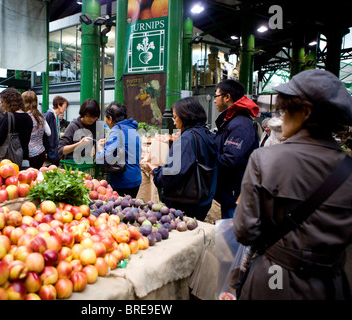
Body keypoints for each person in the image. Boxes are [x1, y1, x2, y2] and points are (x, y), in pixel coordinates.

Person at [233, 69, 352, 300]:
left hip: (275, 280)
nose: (280, 117)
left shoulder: (264, 159)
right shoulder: (348, 168)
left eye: (285, 110)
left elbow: (244, 232)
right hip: (331, 284)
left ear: (306, 112)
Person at [146, 97, 218, 221]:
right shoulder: (206, 133)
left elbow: (174, 172)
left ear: (186, 116)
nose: (174, 122)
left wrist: (156, 172)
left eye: (175, 117)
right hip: (203, 198)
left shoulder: (187, 138)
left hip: (185, 202)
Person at [213, 79, 259, 219]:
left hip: (235, 192)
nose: (214, 101)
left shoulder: (240, 124)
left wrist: (207, 155)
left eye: (216, 96)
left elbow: (231, 159)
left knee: (233, 235)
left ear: (227, 97)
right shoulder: (233, 121)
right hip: (230, 191)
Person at [95, 101, 142, 198]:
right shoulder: (132, 128)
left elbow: (102, 158)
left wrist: (99, 148)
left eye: (106, 119)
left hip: (123, 182)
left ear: (110, 118)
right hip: (135, 178)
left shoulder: (117, 130)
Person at [0, 87, 33, 169]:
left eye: (3, 102)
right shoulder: (28, 118)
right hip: (24, 159)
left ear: (9, 102)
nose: (2, 104)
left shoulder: (9, 117)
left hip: (9, 162)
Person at [22, 90, 51, 169]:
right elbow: (48, 132)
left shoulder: (24, 117)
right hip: (41, 152)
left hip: (28, 154)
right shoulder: (40, 116)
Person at [44, 95, 69, 166]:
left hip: (53, 152)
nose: (65, 109)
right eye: (64, 106)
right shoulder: (50, 115)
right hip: (50, 153)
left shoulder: (56, 117)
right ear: (58, 105)